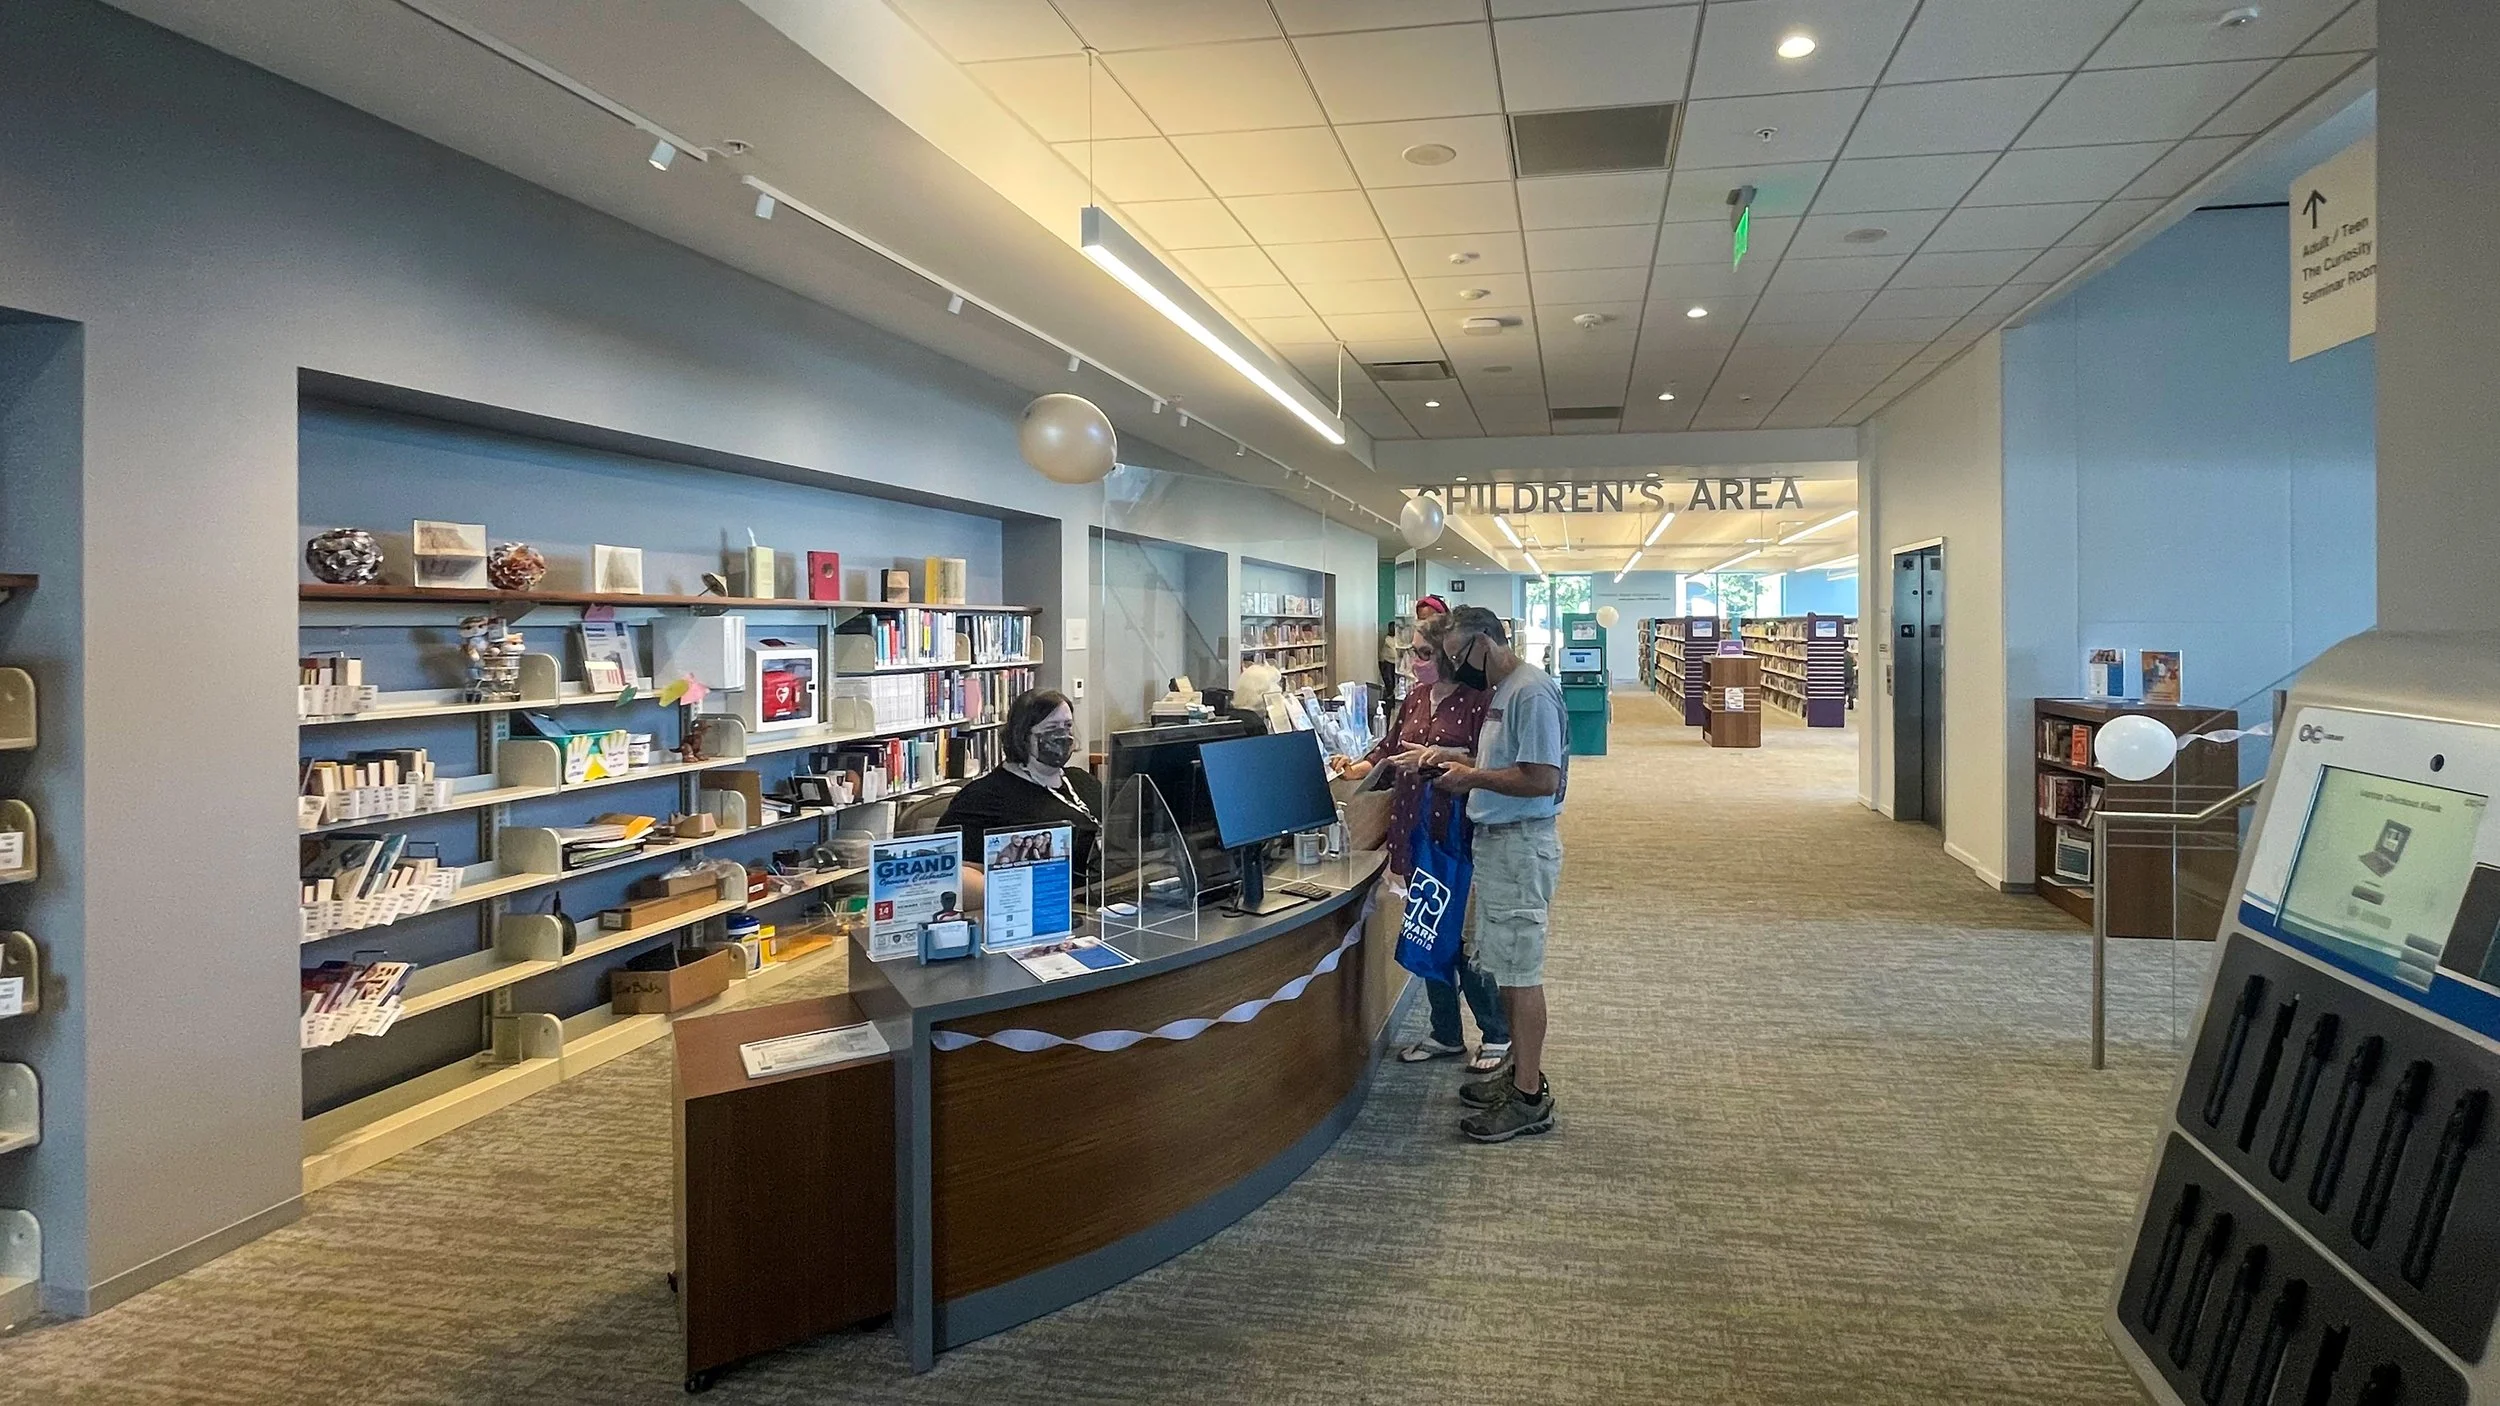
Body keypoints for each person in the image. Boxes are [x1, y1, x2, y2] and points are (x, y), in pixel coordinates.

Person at [1411, 605, 1568, 1144]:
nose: (1456, 664)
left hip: (1523, 847)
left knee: (1521, 972)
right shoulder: (1504, 692)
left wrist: (1471, 776)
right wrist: (1454, 756)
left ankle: (1529, 1097)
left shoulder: (1530, 691)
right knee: (1502, 966)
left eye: (1458, 653)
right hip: (1498, 846)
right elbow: (1510, 758)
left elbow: (1542, 778)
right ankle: (1518, 1073)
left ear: (1487, 642)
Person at [1342, 618, 1509, 1074]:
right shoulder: (1415, 697)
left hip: (1458, 833)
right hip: (1415, 827)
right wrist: (1361, 766)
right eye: (1410, 652)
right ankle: (1446, 1033)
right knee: (1427, 929)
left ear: (1448, 657)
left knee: (1463, 939)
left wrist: (1437, 757)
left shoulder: (1479, 701)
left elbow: (1490, 762)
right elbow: (1390, 746)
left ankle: (1497, 1032)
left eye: (1422, 654)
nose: (1413, 662)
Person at [937, 689, 1101, 908]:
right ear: (1023, 736)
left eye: (1068, 726)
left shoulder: (1082, 781)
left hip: (1099, 900)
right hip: (1039, 910)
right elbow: (949, 874)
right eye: (1052, 728)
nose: (1064, 736)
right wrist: (1017, 894)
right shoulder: (983, 798)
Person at [1378, 617, 1406, 699]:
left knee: (1396, 681)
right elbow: (1395, 651)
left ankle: (1393, 695)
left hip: (1396, 662)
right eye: (1391, 628)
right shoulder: (1388, 639)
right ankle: (1390, 695)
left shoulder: (1398, 638)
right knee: (1389, 681)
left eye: (1394, 628)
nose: (1392, 630)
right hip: (1387, 662)